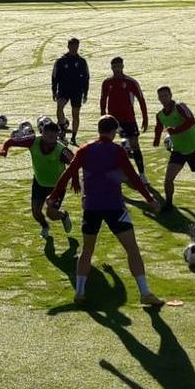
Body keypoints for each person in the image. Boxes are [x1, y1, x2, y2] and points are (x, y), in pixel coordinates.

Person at [47, 115, 164, 307]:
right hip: (114, 207)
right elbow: (134, 178)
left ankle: (80, 292)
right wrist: (150, 199)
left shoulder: (85, 149)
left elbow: (67, 174)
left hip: (91, 207)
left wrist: (53, 196)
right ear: (114, 131)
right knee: (132, 250)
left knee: (87, 251)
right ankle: (145, 293)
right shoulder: (117, 151)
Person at [0, 121, 79, 239]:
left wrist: (75, 179)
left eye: (55, 137)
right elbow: (10, 141)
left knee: (51, 214)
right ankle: (45, 227)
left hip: (57, 186)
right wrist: (4, 149)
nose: (53, 141)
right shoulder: (32, 141)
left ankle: (63, 216)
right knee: (36, 212)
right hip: (39, 183)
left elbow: (75, 163)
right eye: (50, 137)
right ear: (43, 133)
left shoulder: (61, 150)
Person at [152, 86, 195, 212]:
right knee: (168, 179)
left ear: (170, 95)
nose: (163, 99)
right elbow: (158, 127)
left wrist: (175, 131)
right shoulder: (160, 115)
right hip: (178, 151)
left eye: (165, 95)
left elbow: (191, 121)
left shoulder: (180, 107)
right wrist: (156, 139)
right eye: (160, 96)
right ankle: (169, 203)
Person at [100, 56, 149, 183]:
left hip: (128, 119)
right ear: (112, 67)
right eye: (114, 66)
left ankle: (142, 174)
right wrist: (103, 116)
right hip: (112, 119)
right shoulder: (107, 83)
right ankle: (108, 171)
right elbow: (103, 100)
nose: (117, 69)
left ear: (122, 66)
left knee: (135, 145)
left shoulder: (131, 82)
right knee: (106, 145)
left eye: (119, 66)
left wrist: (145, 117)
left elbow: (141, 99)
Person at [51, 38, 90, 144]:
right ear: (68, 46)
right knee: (59, 108)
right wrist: (54, 90)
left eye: (76, 46)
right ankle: (63, 126)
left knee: (75, 114)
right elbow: (54, 76)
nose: (74, 48)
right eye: (72, 46)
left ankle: (73, 137)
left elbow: (86, 77)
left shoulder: (82, 62)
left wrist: (85, 92)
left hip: (77, 91)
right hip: (64, 89)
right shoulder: (61, 60)